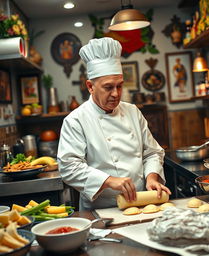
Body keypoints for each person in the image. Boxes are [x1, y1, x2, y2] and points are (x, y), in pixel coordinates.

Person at [57, 37, 171, 210]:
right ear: (90, 86)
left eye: (119, 86)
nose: (116, 94)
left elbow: (152, 152)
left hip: (141, 201)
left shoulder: (132, 111)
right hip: (100, 209)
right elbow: (68, 167)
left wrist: (152, 178)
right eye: (108, 87)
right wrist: (108, 181)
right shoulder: (76, 120)